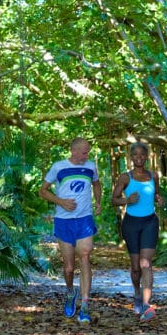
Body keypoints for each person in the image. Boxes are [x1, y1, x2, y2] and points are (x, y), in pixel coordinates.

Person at [39, 137, 102, 323]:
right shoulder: (58, 167)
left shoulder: (91, 167)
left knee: (85, 255)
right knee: (68, 268)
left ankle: (85, 306)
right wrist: (61, 202)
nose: (87, 154)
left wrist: (98, 202)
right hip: (63, 220)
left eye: (88, 151)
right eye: (84, 151)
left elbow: (96, 184)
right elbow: (42, 191)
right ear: (73, 151)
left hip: (84, 219)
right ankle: (70, 292)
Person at [111, 142, 165, 321]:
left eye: (142, 155)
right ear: (131, 158)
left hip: (150, 222)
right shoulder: (125, 177)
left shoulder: (153, 175)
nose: (139, 158)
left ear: (147, 157)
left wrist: (158, 199)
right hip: (131, 224)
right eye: (136, 155)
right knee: (135, 268)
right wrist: (127, 200)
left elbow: (156, 193)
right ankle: (136, 293)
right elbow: (113, 200)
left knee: (145, 264)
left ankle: (147, 304)